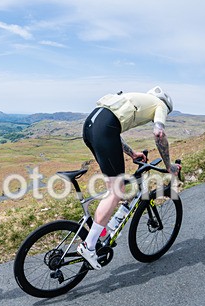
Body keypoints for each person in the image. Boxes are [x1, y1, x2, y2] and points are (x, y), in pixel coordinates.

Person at [77, 86, 181, 269]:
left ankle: (101, 234)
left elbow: (110, 128)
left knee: (113, 189)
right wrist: (168, 166)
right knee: (117, 192)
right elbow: (159, 133)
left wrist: (132, 153)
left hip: (90, 126)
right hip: (105, 128)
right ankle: (89, 246)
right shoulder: (160, 104)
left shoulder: (133, 99)